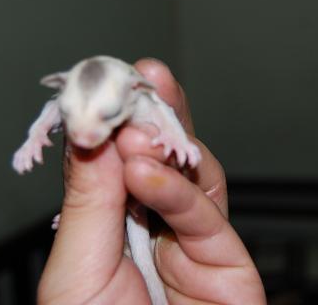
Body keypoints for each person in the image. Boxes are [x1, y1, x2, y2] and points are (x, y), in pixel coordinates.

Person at [37, 58, 266, 304]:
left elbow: (161, 111)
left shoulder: (139, 99)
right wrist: (36, 136)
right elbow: (55, 108)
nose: (83, 137)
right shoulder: (85, 95)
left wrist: (176, 139)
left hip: (140, 189)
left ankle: (120, 210)